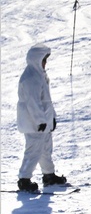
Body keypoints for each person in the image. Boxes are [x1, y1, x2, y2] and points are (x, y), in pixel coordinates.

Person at [16, 44, 66, 192]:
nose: (46, 63)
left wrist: (51, 119)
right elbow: (33, 102)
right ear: (36, 60)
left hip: (42, 123)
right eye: (44, 60)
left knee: (45, 149)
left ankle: (49, 175)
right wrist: (40, 121)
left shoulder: (39, 75)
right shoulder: (31, 78)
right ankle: (24, 179)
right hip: (34, 124)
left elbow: (46, 101)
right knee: (33, 151)